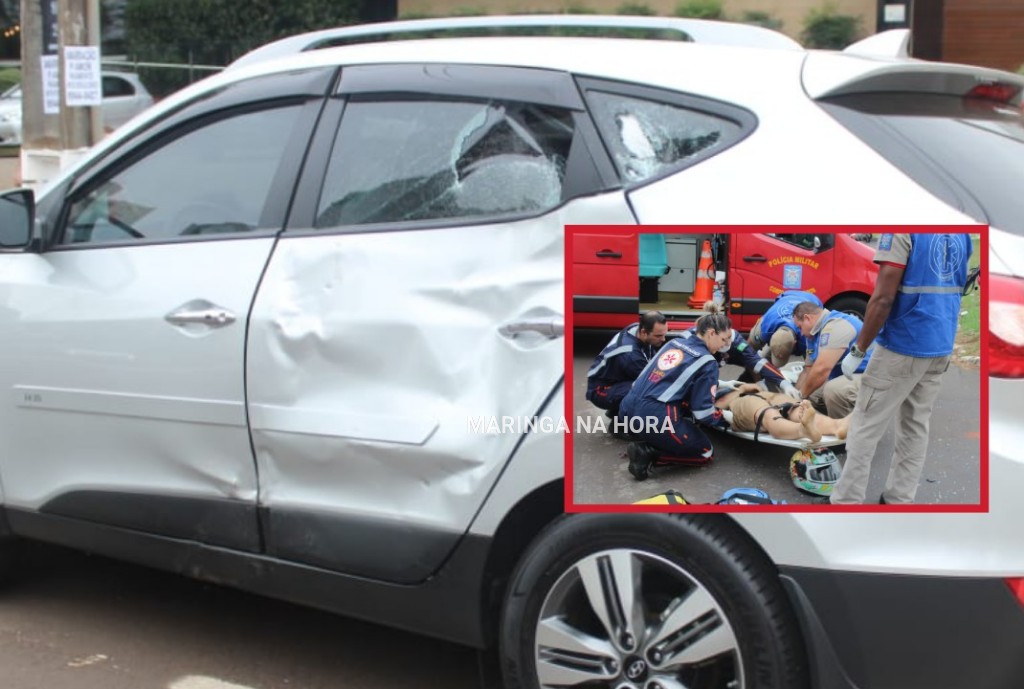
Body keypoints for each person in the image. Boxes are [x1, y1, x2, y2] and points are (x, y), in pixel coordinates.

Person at [831, 233, 972, 504]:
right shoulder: (960, 232)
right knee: (915, 427)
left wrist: (858, 349)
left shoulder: (902, 230)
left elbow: (883, 298)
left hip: (903, 345)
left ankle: (846, 501)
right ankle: (899, 499)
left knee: (864, 425)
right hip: (940, 344)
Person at [620, 306, 733, 480]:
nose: (725, 345)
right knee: (704, 453)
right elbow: (703, 413)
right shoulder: (707, 361)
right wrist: (726, 418)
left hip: (626, 409)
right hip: (655, 416)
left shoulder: (674, 343)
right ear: (711, 333)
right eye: (724, 339)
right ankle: (648, 453)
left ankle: (648, 436)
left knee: (683, 405)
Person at [680, 303, 801, 398]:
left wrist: (783, 383)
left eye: (729, 338)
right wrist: (718, 383)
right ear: (711, 334)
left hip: (726, 362)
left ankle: (739, 392)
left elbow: (758, 363)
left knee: (753, 370)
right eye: (723, 339)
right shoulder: (691, 339)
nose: (727, 343)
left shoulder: (737, 342)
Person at [791, 301, 871, 418]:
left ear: (807, 318)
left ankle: (846, 432)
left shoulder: (836, 325)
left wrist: (800, 397)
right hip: (848, 376)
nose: (801, 333)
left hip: (870, 375)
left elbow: (822, 370)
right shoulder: (812, 335)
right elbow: (808, 372)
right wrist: (793, 397)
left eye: (800, 327)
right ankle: (827, 423)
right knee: (812, 393)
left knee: (833, 390)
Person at [585, 311, 668, 417]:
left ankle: (616, 410)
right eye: (658, 336)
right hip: (600, 390)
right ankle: (620, 424)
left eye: (665, 334)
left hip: (614, 380)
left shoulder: (634, 329)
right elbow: (651, 380)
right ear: (643, 332)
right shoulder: (631, 356)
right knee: (646, 391)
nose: (663, 339)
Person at [714, 383, 850, 442]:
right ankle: (802, 430)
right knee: (768, 414)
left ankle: (837, 425)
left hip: (765, 394)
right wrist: (741, 389)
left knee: (793, 408)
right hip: (739, 401)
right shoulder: (714, 392)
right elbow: (715, 407)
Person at [747, 290, 823, 368]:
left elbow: (811, 369)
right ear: (771, 338)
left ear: (794, 343)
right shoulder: (765, 327)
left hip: (812, 301)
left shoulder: (808, 336)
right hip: (786, 297)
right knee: (763, 364)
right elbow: (749, 350)